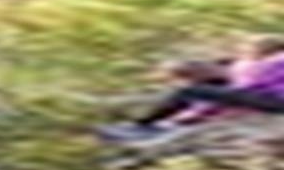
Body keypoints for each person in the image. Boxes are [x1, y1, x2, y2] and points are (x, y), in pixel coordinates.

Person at [98, 36, 284, 143]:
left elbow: (236, 96)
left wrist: (188, 119)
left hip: (277, 100)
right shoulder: (241, 65)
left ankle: (143, 126)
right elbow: (231, 94)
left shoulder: (264, 65)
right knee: (199, 91)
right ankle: (148, 125)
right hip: (268, 96)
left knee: (189, 92)